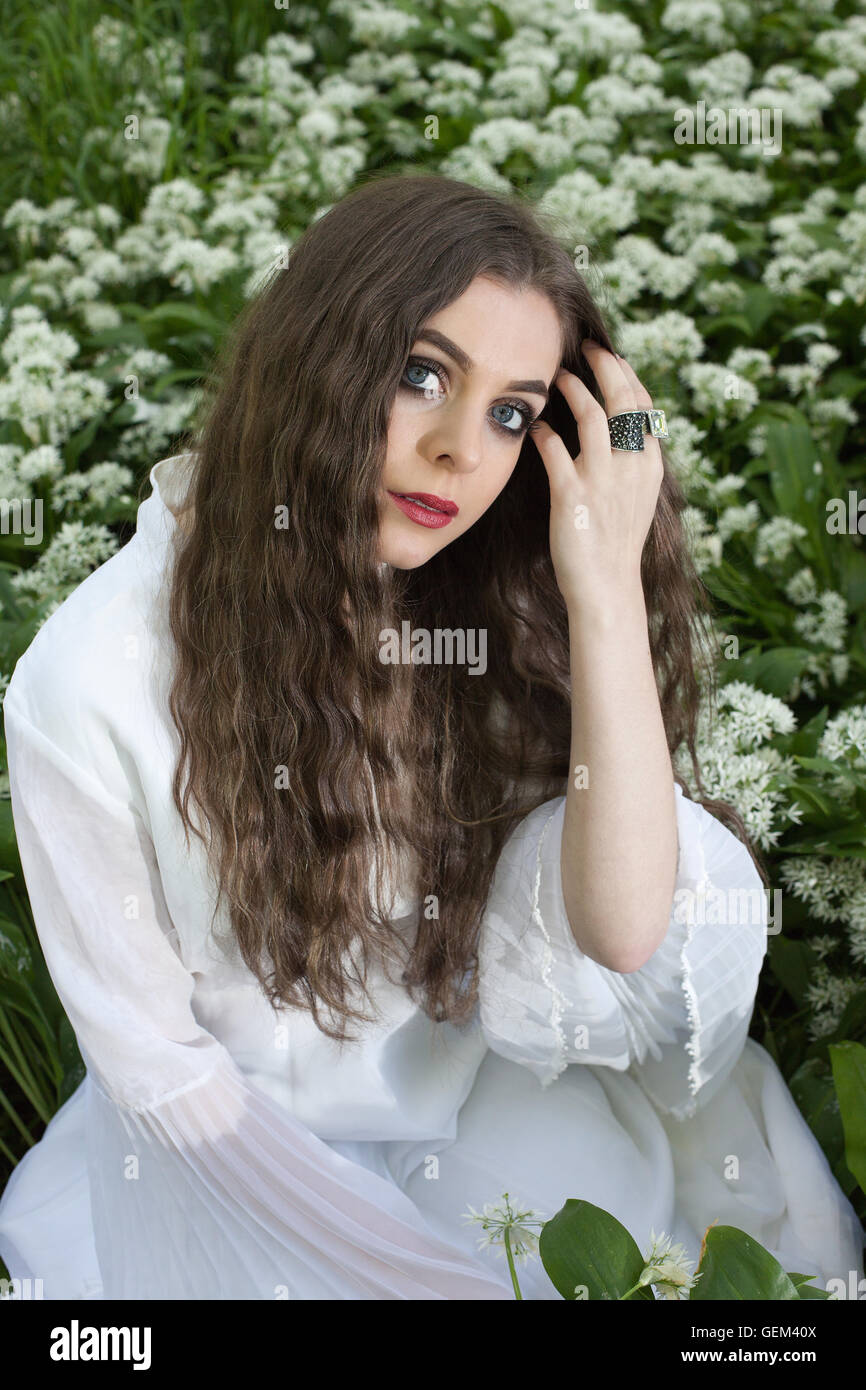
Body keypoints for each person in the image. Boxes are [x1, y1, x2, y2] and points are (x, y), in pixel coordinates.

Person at [0, 173, 862, 1301]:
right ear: (317, 357)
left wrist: (601, 586)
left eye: (510, 411)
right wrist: (417, 1284)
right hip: (235, 1168)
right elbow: (163, 1078)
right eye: (421, 375)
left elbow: (620, 929)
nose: (462, 449)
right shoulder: (86, 681)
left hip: (484, 1114)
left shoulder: (480, 595)